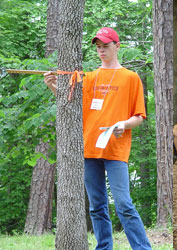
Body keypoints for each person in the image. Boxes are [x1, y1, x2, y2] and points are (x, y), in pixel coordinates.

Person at [44, 27, 151, 250]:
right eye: (98, 47)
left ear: (117, 46)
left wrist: (124, 124)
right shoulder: (90, 77)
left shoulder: (131, 78)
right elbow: (75, 109)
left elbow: (139, 116)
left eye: (106, 46)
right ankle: (104, 247)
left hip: (116, 149)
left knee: (124, 204)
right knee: (96, 206)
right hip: (89, 149)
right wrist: (54, 87)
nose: (101, 51)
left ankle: (142, 248)